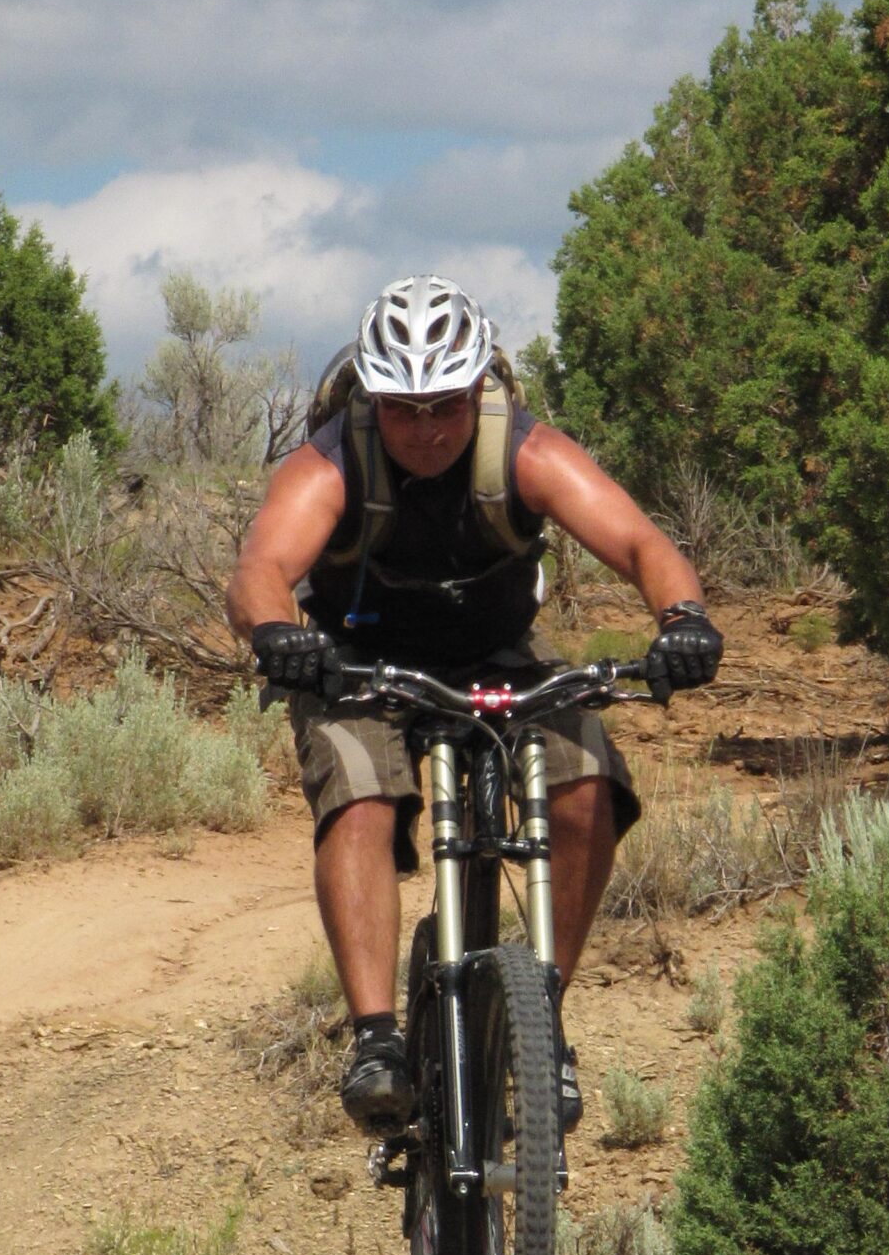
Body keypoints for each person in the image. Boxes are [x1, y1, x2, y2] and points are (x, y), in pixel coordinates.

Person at [226, 274, 722, 1133]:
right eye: (404, 408)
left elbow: (641, 541)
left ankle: (543, 1020)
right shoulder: (335, 461)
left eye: (445, 405)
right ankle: (377, 1041)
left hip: (497, 651)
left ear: (477, 389)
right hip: (355, 659)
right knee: (360, 791)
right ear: (375, 399)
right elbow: (261, 569)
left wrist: (682, 619)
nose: (425, 428)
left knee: (586, 781)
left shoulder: (527, 452)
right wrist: (277, 634)